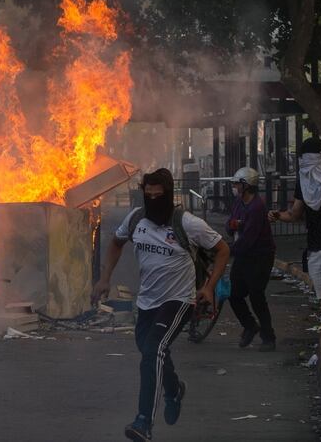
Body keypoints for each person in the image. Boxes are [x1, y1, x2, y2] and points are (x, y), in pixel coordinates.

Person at [92, 168, 230, 442]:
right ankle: (174, 389)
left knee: (153, 350)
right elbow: (116, 243)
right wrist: (105, 278)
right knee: (149, 350)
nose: (153, 200)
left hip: (178, 301)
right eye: (148, 194)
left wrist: (208, 287)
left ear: (168, 194)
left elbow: (222, 249)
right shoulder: (136, 219)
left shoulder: (187, 223)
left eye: (159, 195)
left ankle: (144, 422)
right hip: (147, 302)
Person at [270, 137, 321, 367]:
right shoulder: (304, 181)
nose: (305, 166)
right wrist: (278, 215)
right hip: (315, 246)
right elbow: (296, 213)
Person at [226, 167, 277, 351]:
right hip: (243, 255)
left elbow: (248, 239)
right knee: (234, 295)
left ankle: (268, 337)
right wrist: (232, 225)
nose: (235, 187)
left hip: (259, 256)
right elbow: (230, 224)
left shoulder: (257, 207)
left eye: (237, 184)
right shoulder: (239, 202)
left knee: (256, 296)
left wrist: (227, 251)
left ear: (246, 186)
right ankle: (249, 325)